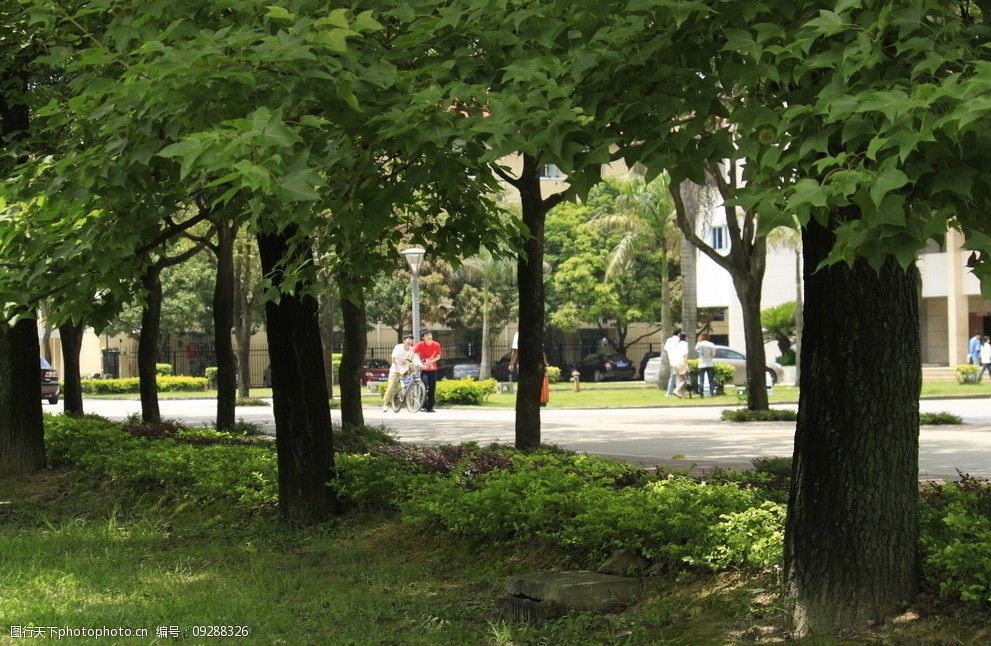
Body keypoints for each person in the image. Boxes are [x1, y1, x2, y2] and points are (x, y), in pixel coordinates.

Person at [382, 334, 415, 412]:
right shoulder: (398, 347)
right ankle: (385, 405)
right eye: (409, 339)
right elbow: (393, 359)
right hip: (395, 370)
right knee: (390, 387)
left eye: (412, 339)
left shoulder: (412, 349)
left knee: (408, 387)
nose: (410, 341)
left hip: (405, 370)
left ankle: (410, 405)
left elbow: (411, 359)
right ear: (404, 341)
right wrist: (400, 368)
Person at [413, 330, 442, 412]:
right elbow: (413, 352)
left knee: (432, 387)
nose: (429, 336)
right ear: (423, 338)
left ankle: (430, 407)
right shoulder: (420, 344)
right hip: (423, 369)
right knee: (424, 385)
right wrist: (415, 360)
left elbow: (438, 356)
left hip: (433, 369)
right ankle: (422, 405)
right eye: (426, 335)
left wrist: (431, 361)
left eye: (430, 335)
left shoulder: (436, 345)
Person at [695, 332, 717, 397]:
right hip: (710, 364)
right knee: (711, 380)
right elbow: (713, 355)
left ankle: (701, 394)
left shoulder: (699, 344)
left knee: (701, 380)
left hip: (701, 364)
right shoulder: (711, 344)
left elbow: (696, 350)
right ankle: (711, 393)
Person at [663, 328, 682, 396]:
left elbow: (666, 350)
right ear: (679, 333)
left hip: (671, 360)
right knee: (679, 377)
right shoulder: (679, 340)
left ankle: (669, 392)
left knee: (672, 376)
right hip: (679, 360)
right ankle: (676, 392)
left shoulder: (669, 340)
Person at [672, 332, 690, 398]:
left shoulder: (677, 344)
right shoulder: (685, 344)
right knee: (684, 380)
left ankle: (682, 395)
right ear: (685, 337)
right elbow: (685, 355)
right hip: (681, 362)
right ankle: (676, 391)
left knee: (680, 380)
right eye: (687, 337)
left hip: (675, 363)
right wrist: (686, 365)